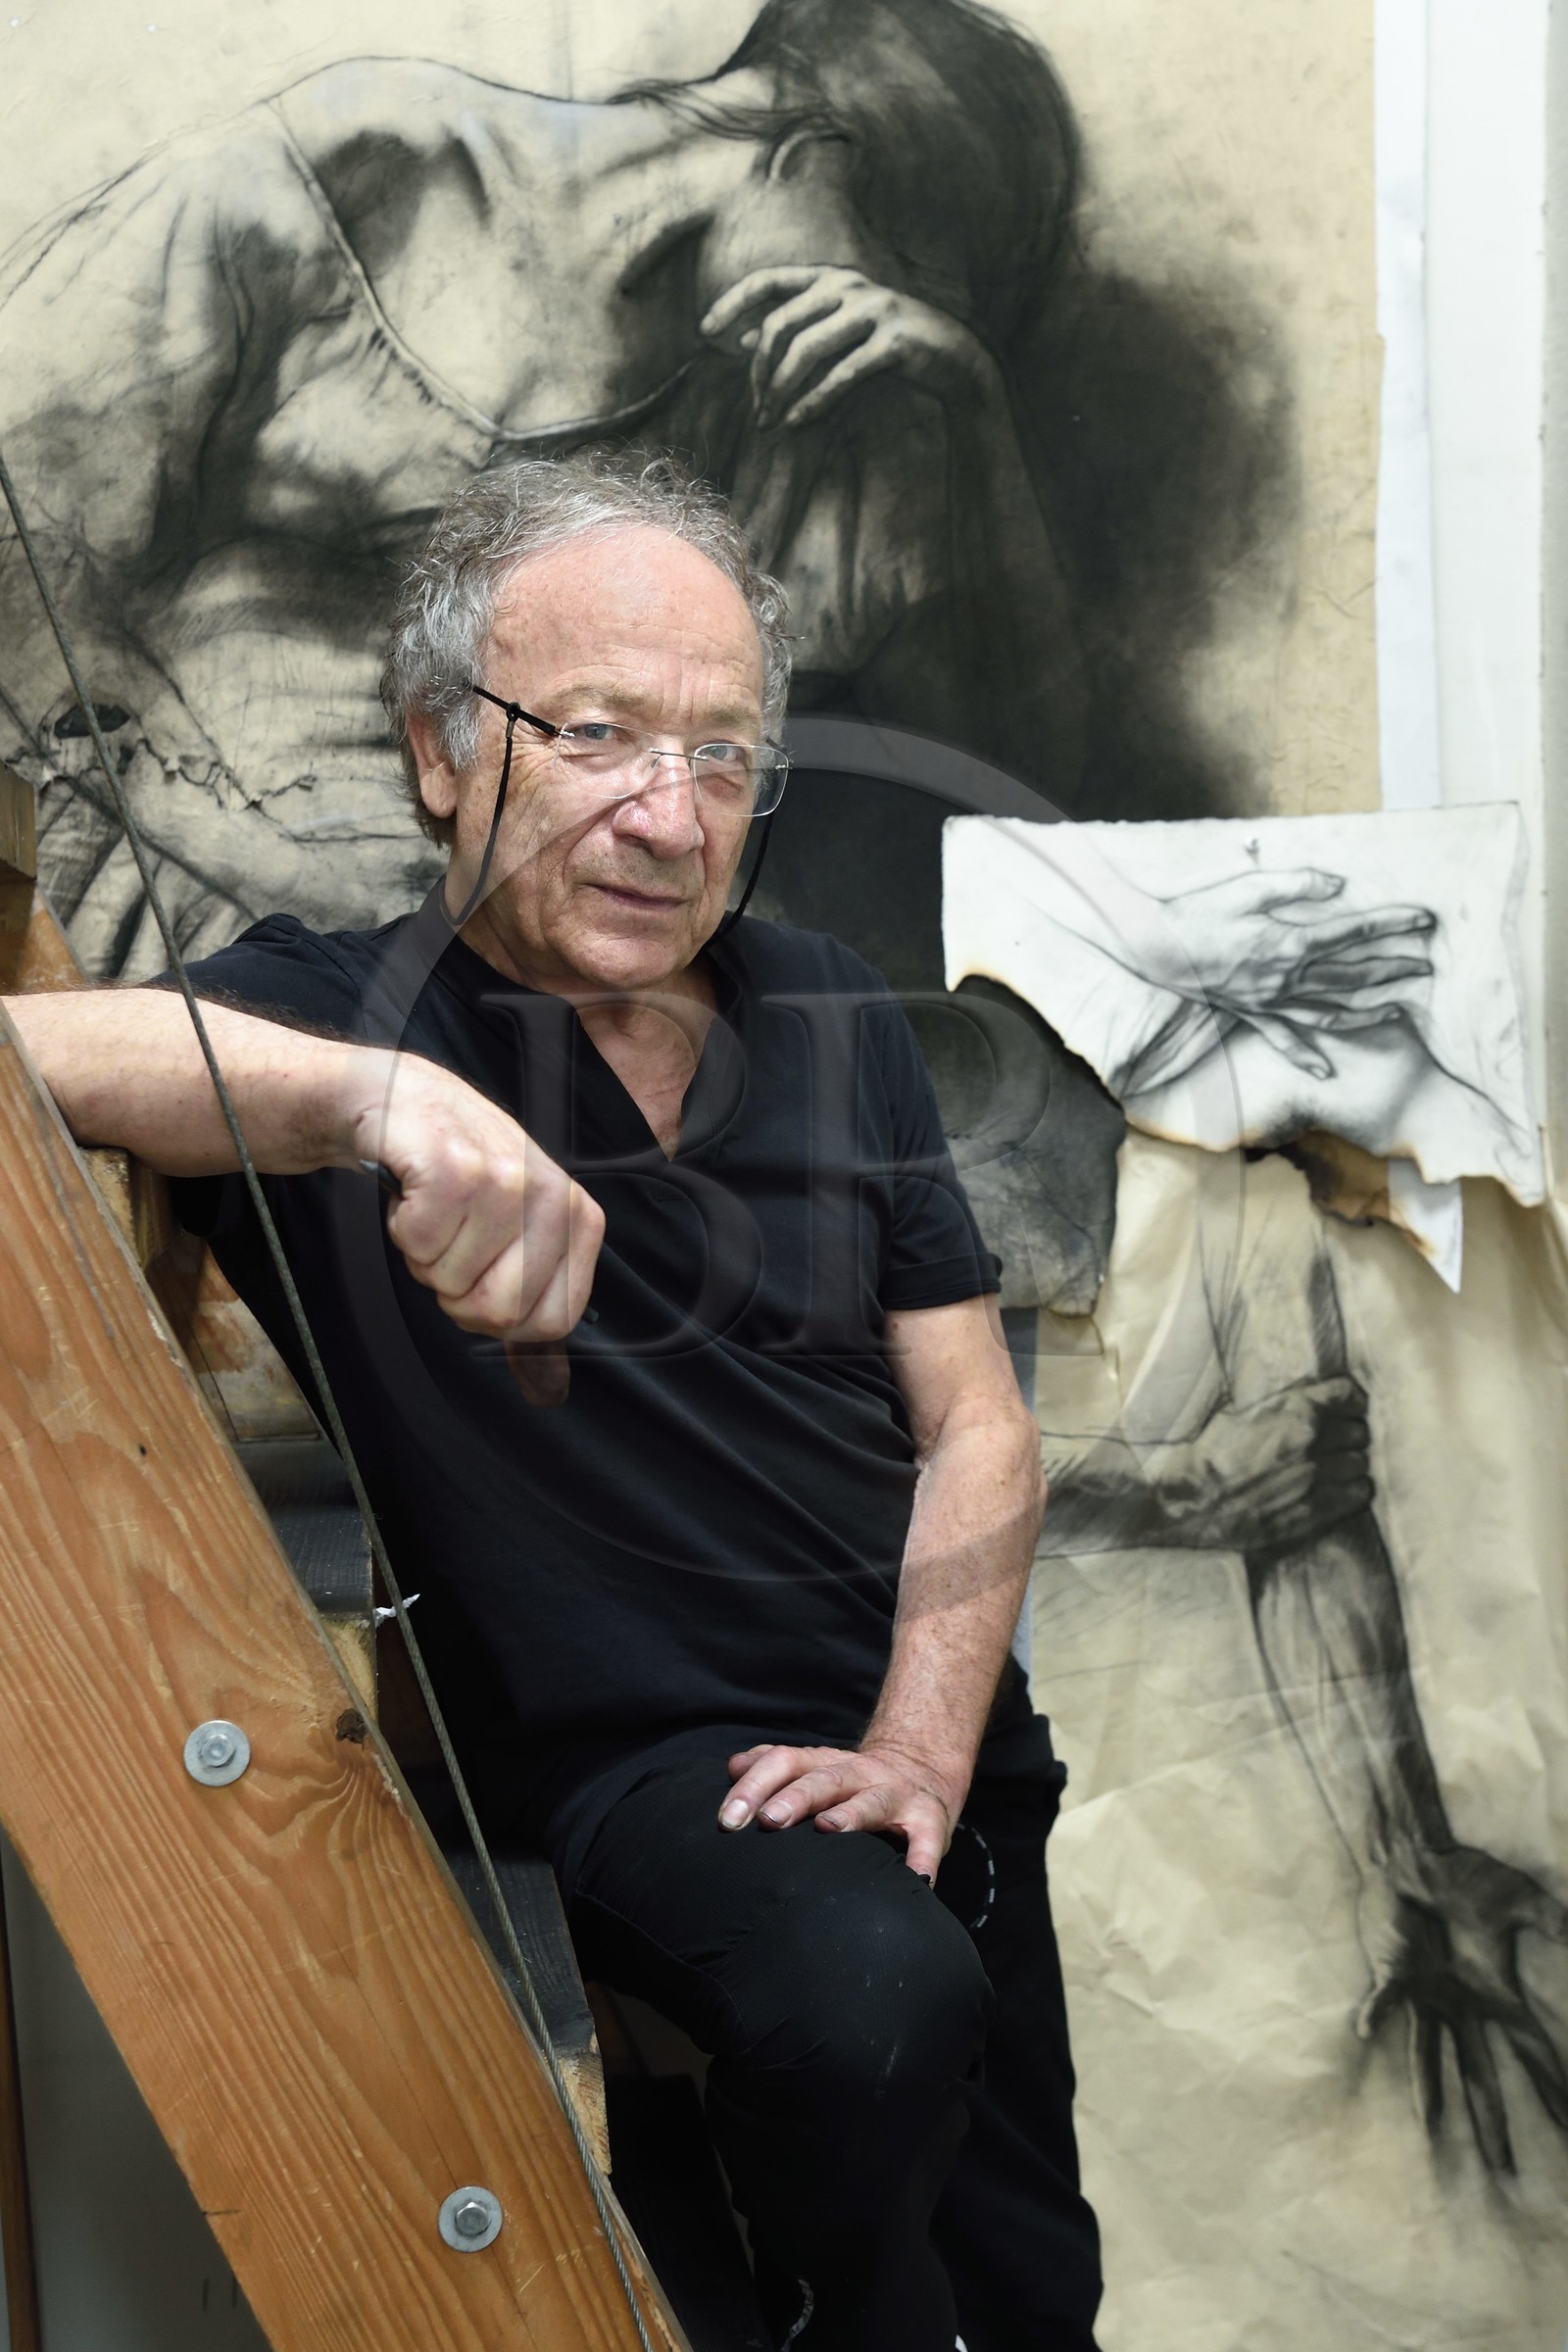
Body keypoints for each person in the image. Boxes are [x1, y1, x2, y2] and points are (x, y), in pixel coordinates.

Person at [5, 450, 1101, 2352]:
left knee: (1031, 2295)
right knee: (860, 2019)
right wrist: (373, 1100)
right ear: (440, 745)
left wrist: (920, 1751)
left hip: (935, 1758)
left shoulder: (832, 1007)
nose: (668, 816)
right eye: (595, 734)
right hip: (634, 1769)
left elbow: (975, 1424)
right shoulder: (332, 1017)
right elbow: (28, 1049)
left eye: (723, 755)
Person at [0, 0, 1085, 978]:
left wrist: (971, 410)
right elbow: (33, 556)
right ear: (809, 156)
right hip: (197, 902)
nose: (855, 323)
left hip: (542, 951)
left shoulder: (813, 400)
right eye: (889, 281)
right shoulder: (364, 166)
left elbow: (1010, 790)